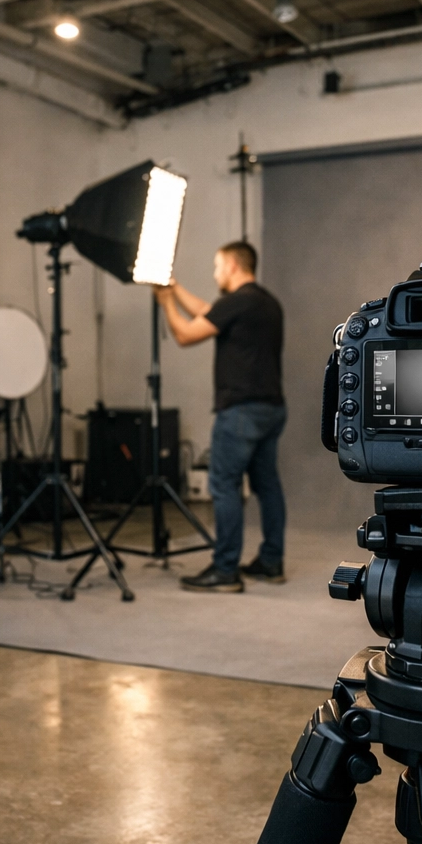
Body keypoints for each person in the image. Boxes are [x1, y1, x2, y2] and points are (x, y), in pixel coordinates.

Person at [154, 240, 286, 592]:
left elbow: (185, 334)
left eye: (217, 266)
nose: (215, 273)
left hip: (241, 411)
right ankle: (272, 563)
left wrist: (166, 303)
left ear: (232, 266)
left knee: (224, 486)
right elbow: (210, 311)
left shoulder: (237, 303)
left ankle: (225, 570)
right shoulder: (264, 303)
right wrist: (176, 287)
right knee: (267, 486)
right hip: (271, 408)